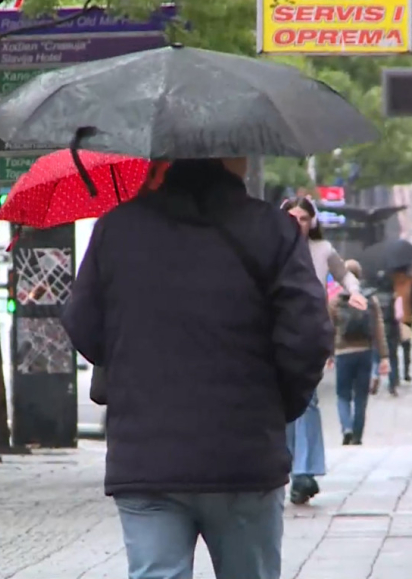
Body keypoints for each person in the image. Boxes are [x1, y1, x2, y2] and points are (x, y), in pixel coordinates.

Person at [63, 158, 333, 579]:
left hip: (146, 457)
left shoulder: (118, 229)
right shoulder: (271, 229)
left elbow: (83, 326)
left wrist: (132, 368)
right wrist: (276, 406)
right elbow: (309, 335)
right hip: (244, 455)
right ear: (234, 159)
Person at [281, 197, 367, 505]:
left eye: (304, 218)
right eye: (292, 217)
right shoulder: (272, 249)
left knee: (309, 398)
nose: (298, 223)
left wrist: (354, 292)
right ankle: (289, 467)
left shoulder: (322, 250)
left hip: (310, 329)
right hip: (278, 329)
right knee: (283, 403)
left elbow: (344, 274)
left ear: (313, 221)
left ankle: (306, 470)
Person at [331, 260, 389, 446]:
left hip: (343, 353)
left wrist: (328, 354)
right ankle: (357, 436)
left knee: (342, 394)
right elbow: (378, 328)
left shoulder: (336, 301)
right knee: (361, 396)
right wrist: (384, 356)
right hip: (364, 352)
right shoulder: (370, 299)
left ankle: (346, 428)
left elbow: (328, 329)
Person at [393, 267, 412, 381]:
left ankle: (395, 376)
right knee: (406, 347)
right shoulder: (410, 281)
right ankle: (406, 373)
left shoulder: (391, 280)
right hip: (407, 319)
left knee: (393, 348)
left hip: (393, 319)